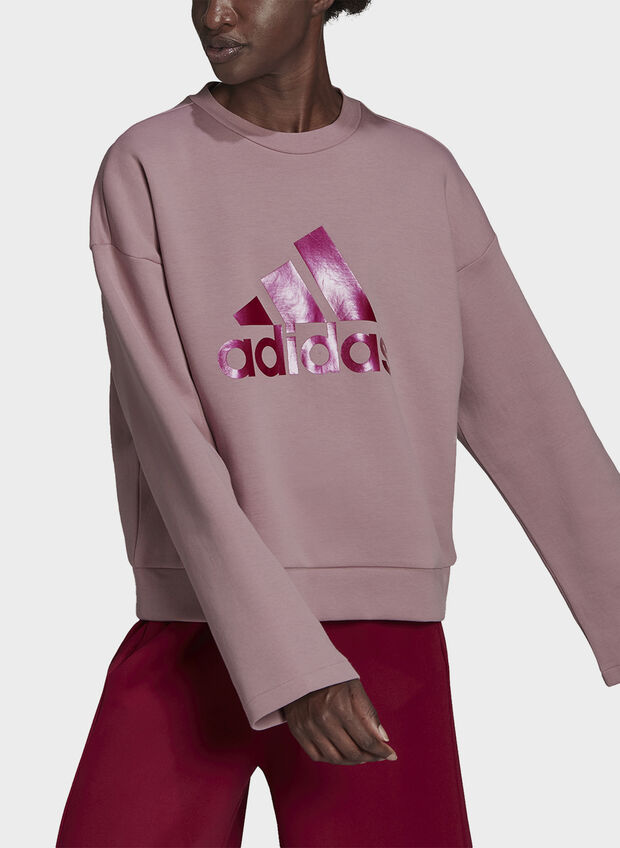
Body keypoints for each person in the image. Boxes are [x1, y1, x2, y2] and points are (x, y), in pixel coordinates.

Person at [56, 1, 620, 846]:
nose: (214, 12)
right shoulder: (148, 166)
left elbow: (528, 406)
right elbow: (168, 434)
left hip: (382, 640)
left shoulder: (418, 174)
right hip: (195, 628)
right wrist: (291, 663)